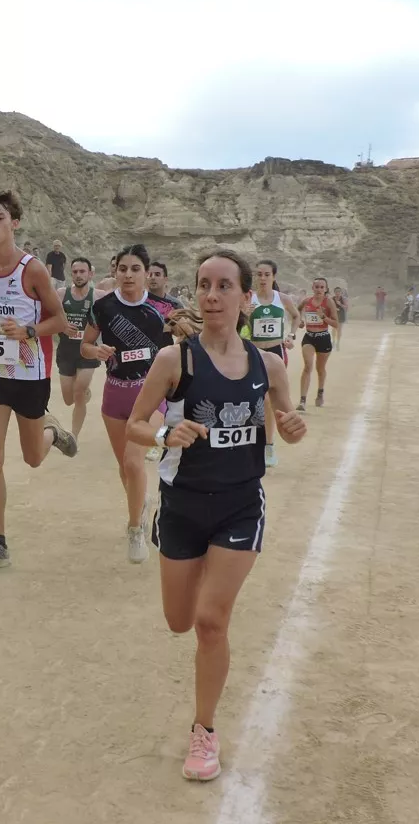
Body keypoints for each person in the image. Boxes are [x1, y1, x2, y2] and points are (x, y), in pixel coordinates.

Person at [127, 249, 307, 783]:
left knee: (210, 621)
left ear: (246, 298)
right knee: (178, 621)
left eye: (224, 286)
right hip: (181, 505)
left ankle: (204, 731)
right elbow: (137, 425)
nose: (211, 295)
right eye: (204, 285)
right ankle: (200, 574)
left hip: (239, 504)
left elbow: (286, 417)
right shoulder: (173, 361)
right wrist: (164, 434)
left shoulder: (267, 365)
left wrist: (293, 427)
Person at [0, 189, 76, 570]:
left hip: (31, 375)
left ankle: (52, 433)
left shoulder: (33, 270)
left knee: (31, 459)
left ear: (14, 223)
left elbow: (61, 322)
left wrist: (28, 331)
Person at [80, 244, 172, 564]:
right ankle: (140, 504)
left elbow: (187, 348)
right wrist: (97, 352)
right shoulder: (103, 307)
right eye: (122, 269)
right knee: (125, 468)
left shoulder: (165, 309)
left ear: (147, 273)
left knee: (134, 463)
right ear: (115, 272)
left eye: (135, 269)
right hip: (115, 393)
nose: (128, 275)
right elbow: (85, 346)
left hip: (151, 396)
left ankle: (136, 529)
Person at [248, 259, 301, 467]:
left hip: (276, 352)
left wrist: (291, 336)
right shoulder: (247, 298)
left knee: (270, 399)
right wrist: (244, 314)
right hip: (253, 352)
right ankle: (250, 443)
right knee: (251, 399)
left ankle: (268, 446)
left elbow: (296, 317)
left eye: (266, 274)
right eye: (259, 274)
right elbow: (234, 323)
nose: (262, 278)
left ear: (273, 277)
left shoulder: (283, 299)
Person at [56, 256, 100, 440]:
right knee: (68, 399)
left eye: (82, 271)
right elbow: (50, 318)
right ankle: (83, 392)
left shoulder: (98, 296)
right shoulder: (60, 294)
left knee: (79, 392)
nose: (79, 275)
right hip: (66, 350)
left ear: (90, 273)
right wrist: (63, 327)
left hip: (87, 349)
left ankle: (73, 437)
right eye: (75, 272)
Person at [296, 278, 339, 410]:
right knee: (307, 366)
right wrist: (300, 321)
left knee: (320, 369)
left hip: (323, 338)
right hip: (309, 337)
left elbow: (336, 324)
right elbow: (296, 312)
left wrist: (323, 317)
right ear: (312, 288)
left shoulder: (329, 302)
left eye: (322, 287)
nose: (319, 289)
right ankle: (302, 401)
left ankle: (320, 392)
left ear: (325, 289)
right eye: (317, 287)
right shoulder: (306, 301)